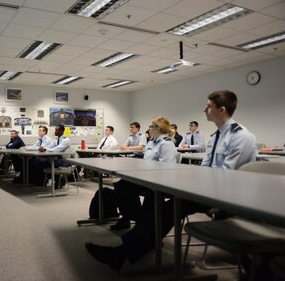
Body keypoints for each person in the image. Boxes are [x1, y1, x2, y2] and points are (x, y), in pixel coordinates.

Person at [85, 90, 257, 272]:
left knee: (170, 207)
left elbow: (224, 177)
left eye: (208, 106)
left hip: (225, 196)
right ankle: (135, 247)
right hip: (207, 190)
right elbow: (206, 170)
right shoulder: (217, 136)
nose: (204, 109)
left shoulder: (240, 137)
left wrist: (193, 183)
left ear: (221, 110)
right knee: (156, 196)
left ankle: (123, 253)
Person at [110, 116, 176, 231]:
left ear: (158, 129)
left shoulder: (166, 144)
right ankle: (131, 217)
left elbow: (166, 169)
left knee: (126, 188)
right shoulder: (152, 142)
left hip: (158, 181)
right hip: (147, 177)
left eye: (151, 126)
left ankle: (138, 219)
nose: (149, 128)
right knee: (121, 185)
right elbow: (146, 161)